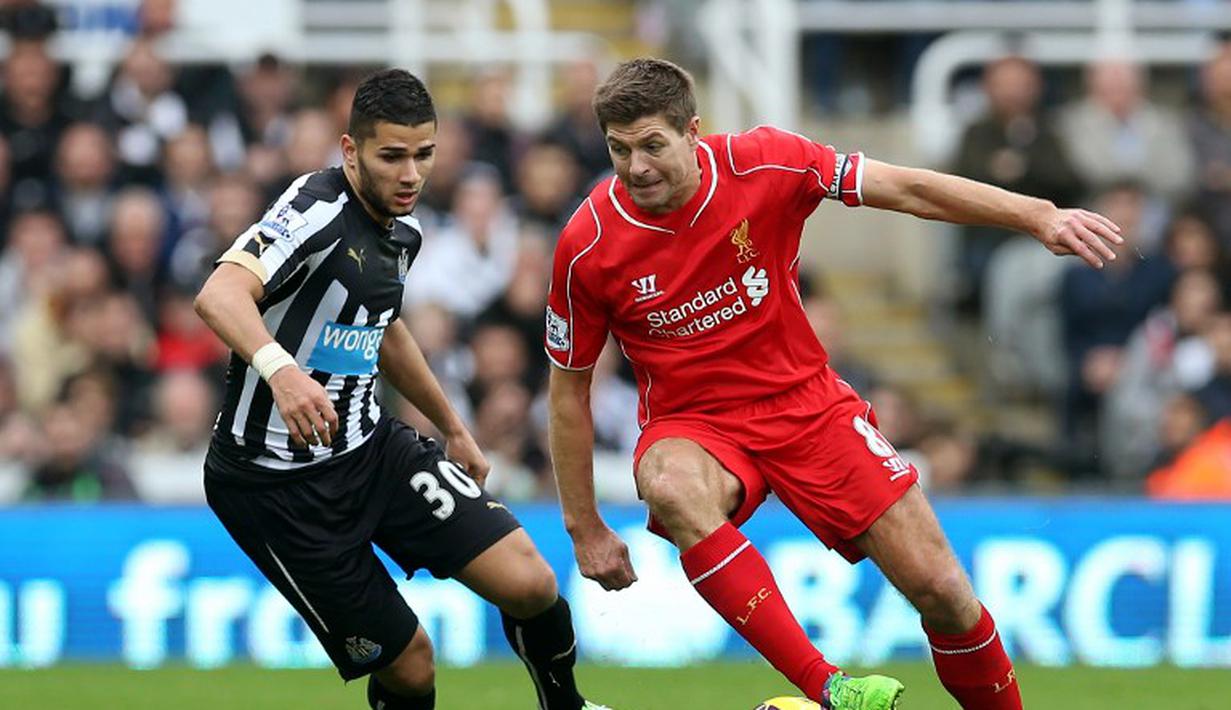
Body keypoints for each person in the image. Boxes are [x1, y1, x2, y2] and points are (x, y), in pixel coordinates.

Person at [546, 58, 1123, 710]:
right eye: (618, 150)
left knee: (941, 591)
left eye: (652, 145)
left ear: (692, 132)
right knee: (671, 486)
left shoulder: (766, 163)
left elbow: (905, 189)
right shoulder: (588, 242)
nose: (636, 167)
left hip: (807, 405)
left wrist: (1034, 214)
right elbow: (568, 392)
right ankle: (830, 689)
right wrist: (582, 525)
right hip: (695, 423)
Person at [194, 69, 608, 710]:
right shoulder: (314, 209)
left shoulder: (402, 231)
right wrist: (281, 369)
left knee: (530, 581)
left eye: (424, 155)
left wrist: (452, 425)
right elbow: (219, 293)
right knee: (412, 665)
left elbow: (384, 329)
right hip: (275, 486)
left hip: (372, 450)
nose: (411, 173)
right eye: (392, 156)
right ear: (351, 151)